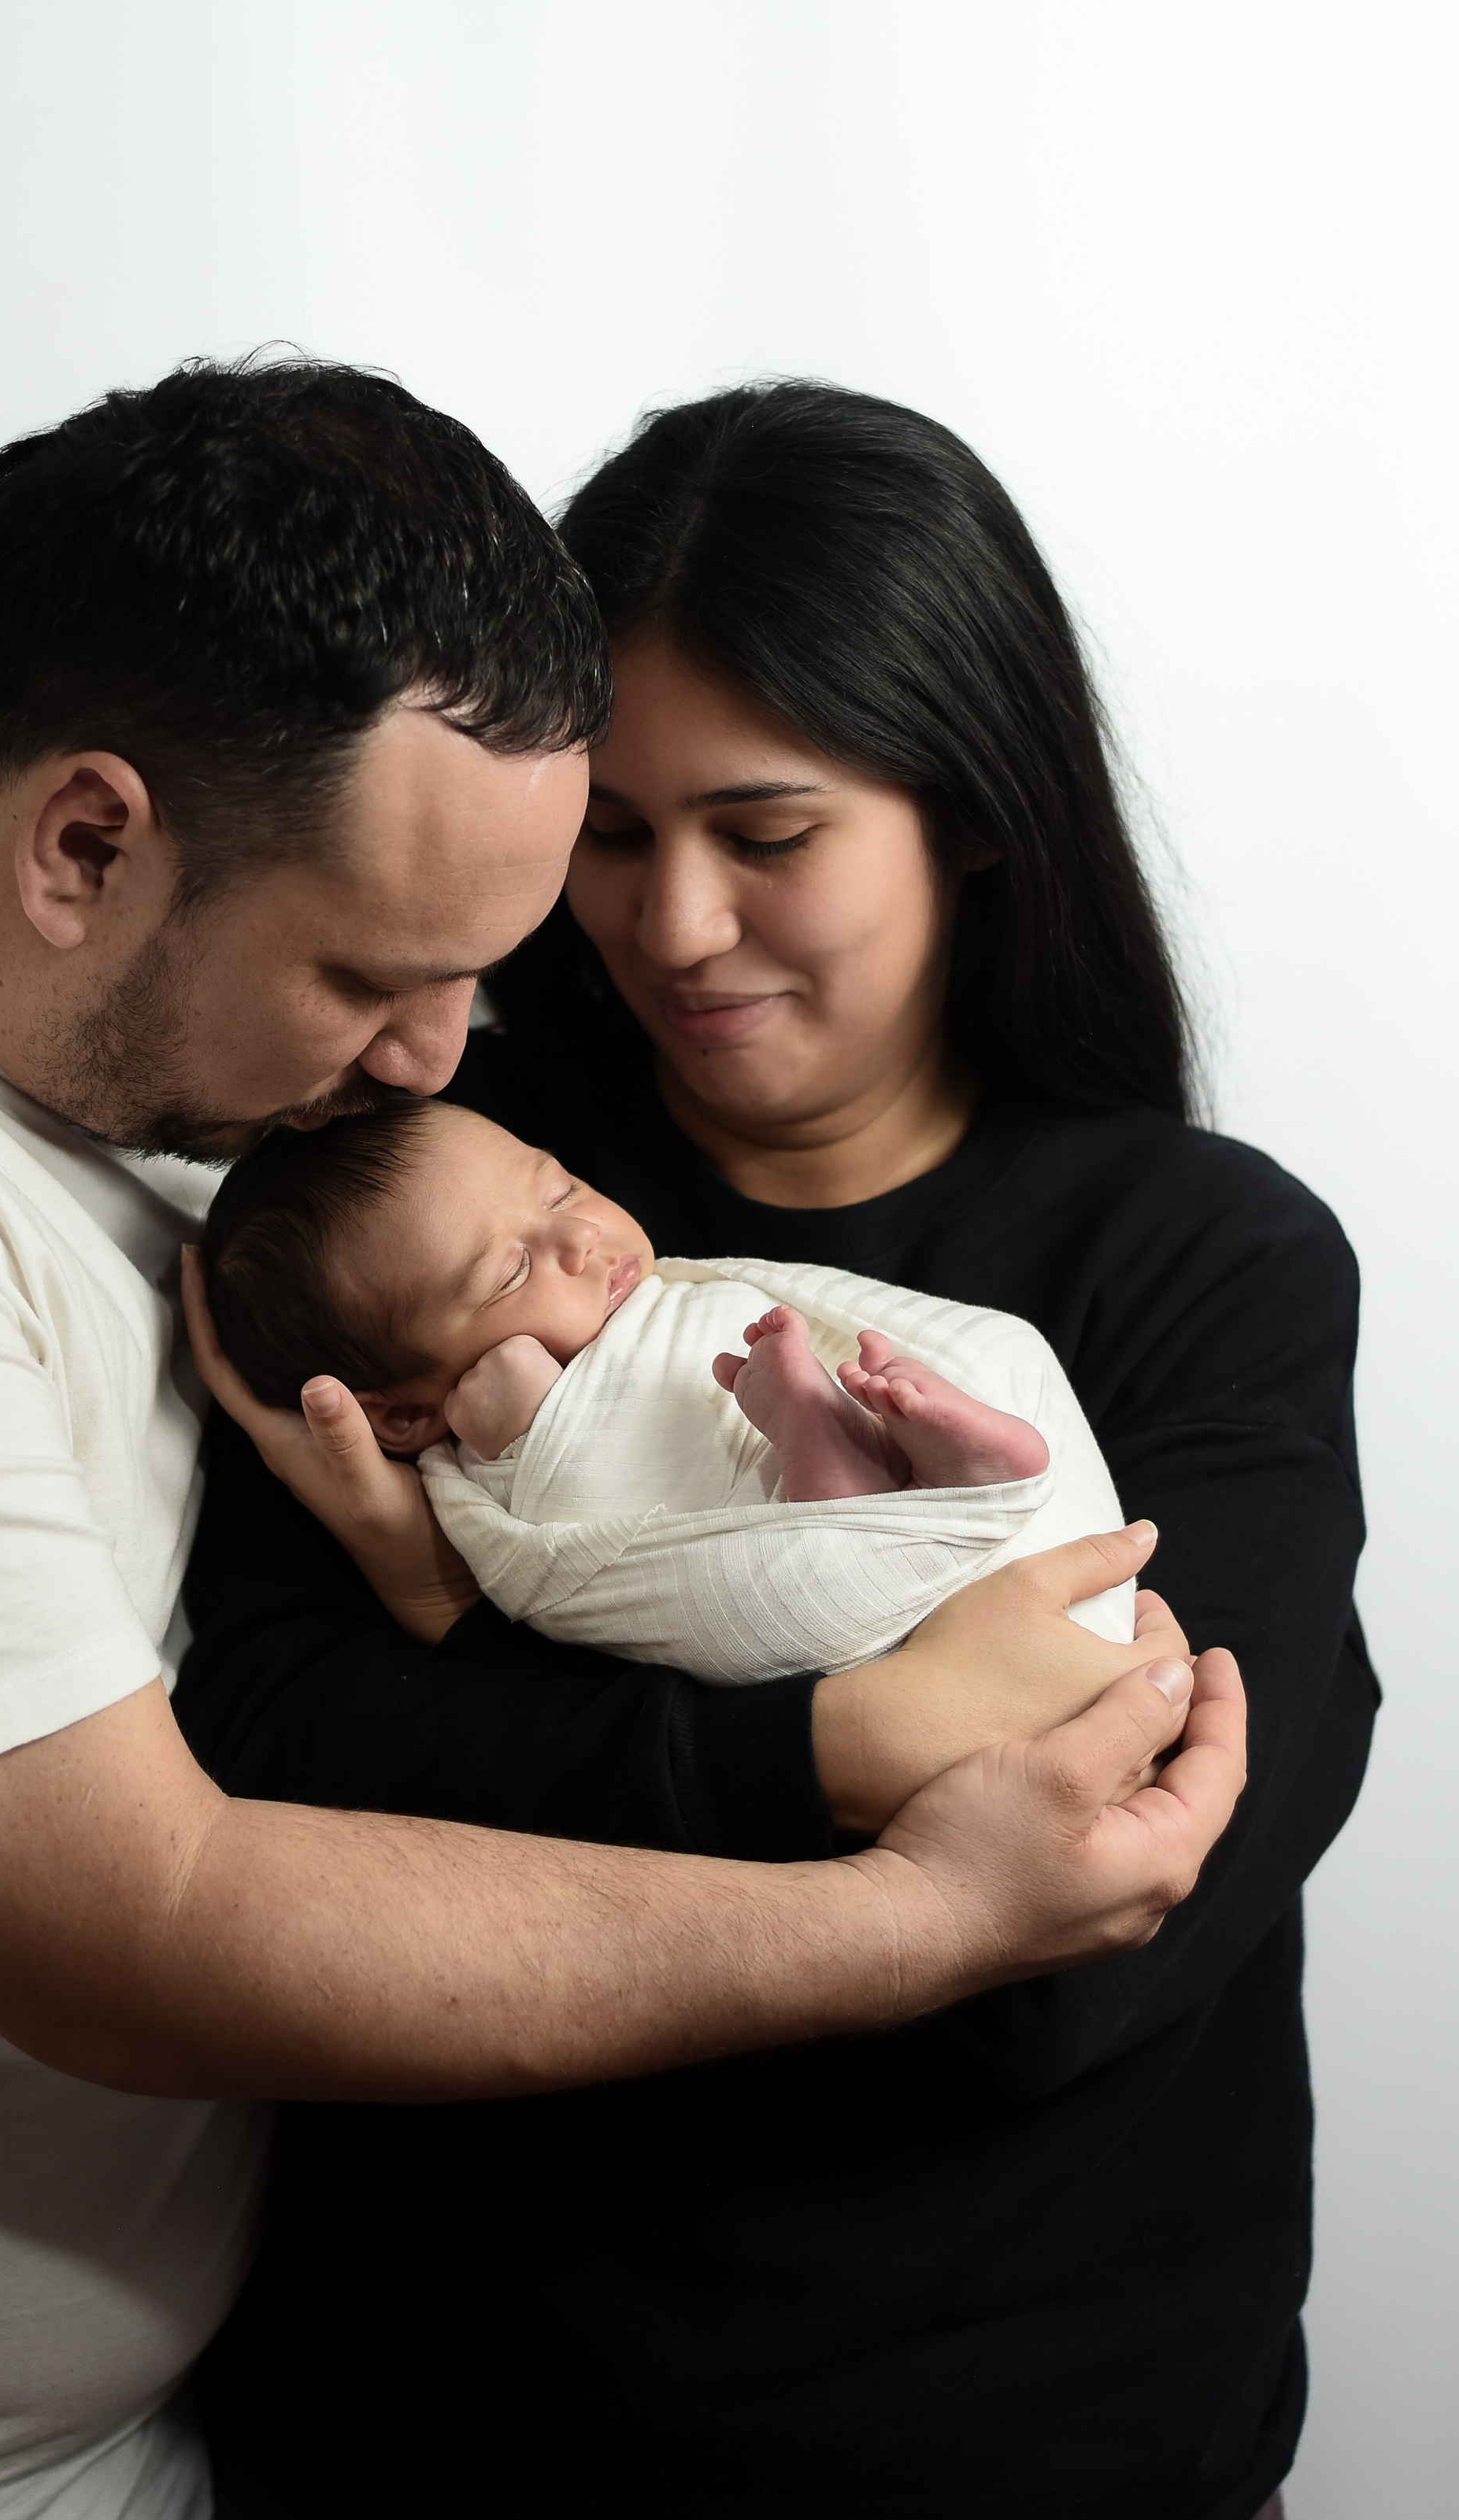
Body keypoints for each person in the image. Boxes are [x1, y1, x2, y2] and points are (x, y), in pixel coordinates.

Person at [0, 362, 1242, 2520]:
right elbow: (142, 1916)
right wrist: (910, 1909)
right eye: (379, 979)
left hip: (118, 2441)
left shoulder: (130, 1035)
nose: (438, 1064)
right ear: (85, 841)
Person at [174, 382, 1367, 2520]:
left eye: (770, 831)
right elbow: (265, 1768)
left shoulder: (1196, 1260)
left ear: (973, 813)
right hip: (447, 2441)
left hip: (1030, 2453)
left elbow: (1078, 1958)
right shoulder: (403, 1219)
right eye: (613, 837)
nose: (673, 923)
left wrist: (461, 1668)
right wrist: (861, 1758)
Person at [198, 1094, 1130, 1689]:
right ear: (400, 1413)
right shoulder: (475, 1433)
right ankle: (860, 1476)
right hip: (825, 1602)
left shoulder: (668, 1295)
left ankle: (895, 1460)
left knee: (977, 1349)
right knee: (694, 1520)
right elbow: (557, 1550)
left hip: (1003, 1606)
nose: (582, 1241)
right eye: (506, 1274)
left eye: (558, 1191)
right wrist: (519, 1422)